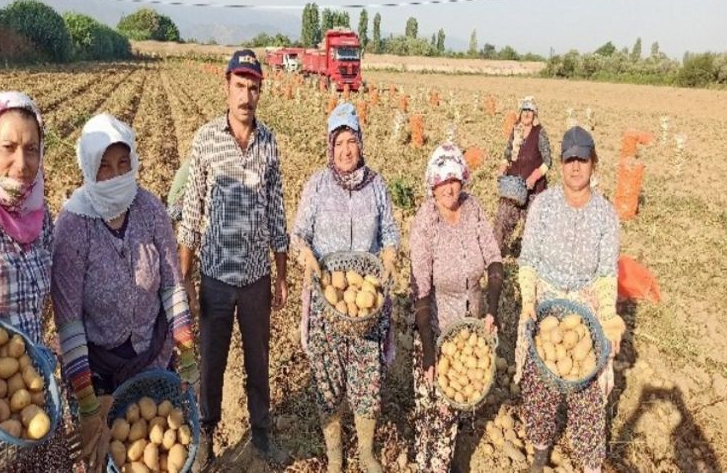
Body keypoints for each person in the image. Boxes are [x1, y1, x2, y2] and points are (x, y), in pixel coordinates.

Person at [51, 113, 198, 472]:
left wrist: (188, 354)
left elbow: (171, 287)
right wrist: (88, 403)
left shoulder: (149, 209)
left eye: (123, 163)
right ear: (88, 168)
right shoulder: (73, 226)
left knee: (157, 447)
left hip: (152, 358)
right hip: (97, 370)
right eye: (105, 166)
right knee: (108, 456)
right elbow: (69, 323)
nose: (116, 176)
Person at [178, 49, 290, 469]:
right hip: (216, 279)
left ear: (260, 92)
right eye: (240, 86)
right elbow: (192, 212)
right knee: (211, 360)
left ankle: (261, 433)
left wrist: (281, 275)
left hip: (257, 277)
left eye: (253, 87)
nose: (246, 95)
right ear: (226, 86)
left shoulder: (269, 142)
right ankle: (206, 431)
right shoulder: (206, 139)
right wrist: (184, 279)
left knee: (258, 359)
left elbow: (277, 211)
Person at [0, 91, 72, 471]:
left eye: (33, 149)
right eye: (8, 146)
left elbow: (51, 303)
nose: (21, 163)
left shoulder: (42, 218)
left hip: (30, 401)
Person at [292, 102, 399, 473]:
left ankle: (366, 451)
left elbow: (390, 235)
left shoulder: (377, 186)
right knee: (327, 382)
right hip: (326, 302)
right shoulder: (317, 185)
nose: (346, 150)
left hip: (366, 308)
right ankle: (336, 454)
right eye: (338, 143)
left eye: (351, 141)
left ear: (361, 143)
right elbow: (299, 235)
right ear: (329, 146)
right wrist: (309, 259)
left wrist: (387, 260)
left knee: (367, 382)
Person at [514, 127, 626, 473]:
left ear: (594, 164)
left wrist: (608, 317)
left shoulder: (606, 215)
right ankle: (540, 448)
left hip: (586, 307)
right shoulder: (543, 206)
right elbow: (528, 259)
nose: (575, 167)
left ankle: (590, 461)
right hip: (544, 301)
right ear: (561, 164)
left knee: (589, 393)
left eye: (582, 160)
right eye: (568, 160)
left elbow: (608, 274)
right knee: (538, 385)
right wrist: (528, 301)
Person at [409, 143, 503, 472]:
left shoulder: (473, 208)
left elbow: (493, 258)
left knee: (462, 408)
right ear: (432, 185)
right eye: (442, 181)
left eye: (455, 180)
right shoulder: (426, 223)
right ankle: (431, 464)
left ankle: (447, 459)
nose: (450, 188)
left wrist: (492, 308)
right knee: (435, 415)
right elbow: (420, 288)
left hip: (469, 331)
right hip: (435, 332)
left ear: (463, 180)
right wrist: (430, 351)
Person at [493, 96, 552, 252]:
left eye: (530, 111)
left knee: (532, 227)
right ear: (520, 112)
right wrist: (502, 168)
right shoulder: (516, 131)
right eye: (524, 110)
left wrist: (535, 176)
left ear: (535, 114)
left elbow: (548, 162)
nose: (527, 114)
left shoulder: (540, 133)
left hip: (534, 189)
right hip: (513, 186)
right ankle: (496, 255)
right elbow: (506, 155)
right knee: (502, 220)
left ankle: (530, 259)